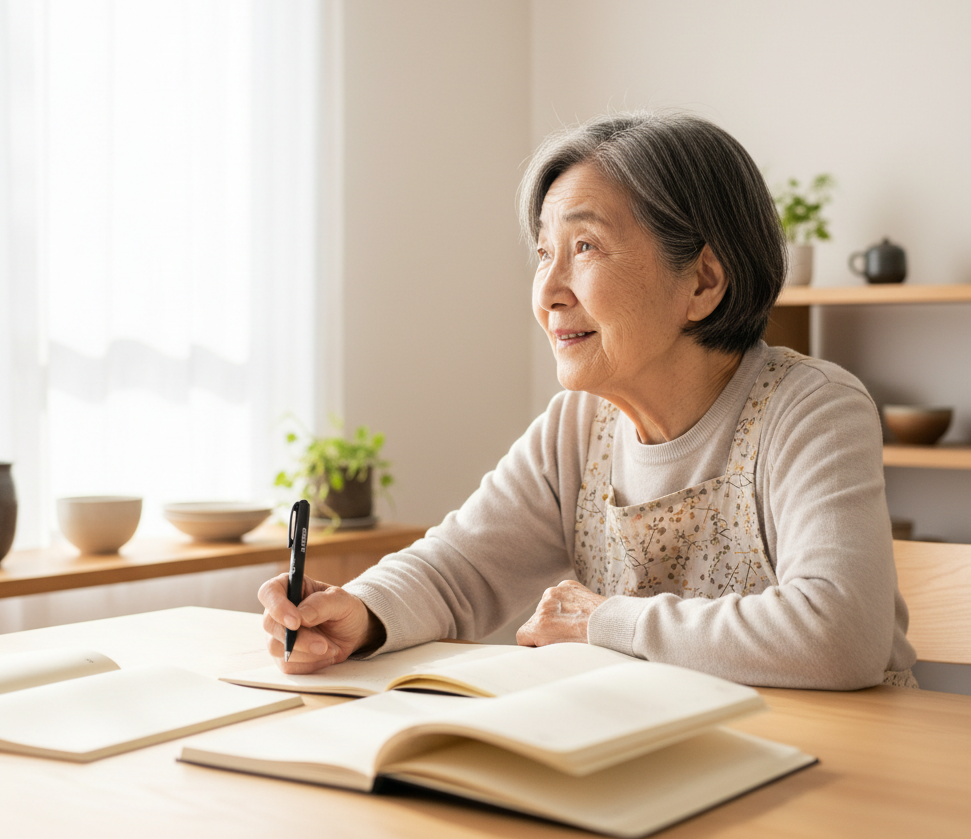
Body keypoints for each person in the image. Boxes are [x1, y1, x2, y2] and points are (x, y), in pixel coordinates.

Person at [259, 111, 917, 689]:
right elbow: (458, 569)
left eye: (584, 246)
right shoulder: (576, 428)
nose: (548, 290)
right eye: (544, 252)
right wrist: (361, 614)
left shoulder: (811, 410)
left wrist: (603, 620)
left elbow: (839, 635)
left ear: (704, 281)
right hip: (662, 763)